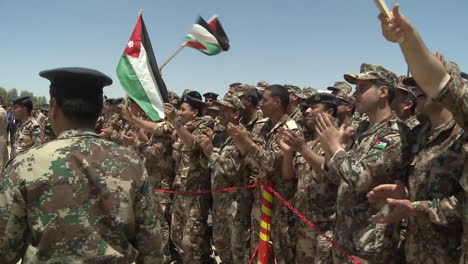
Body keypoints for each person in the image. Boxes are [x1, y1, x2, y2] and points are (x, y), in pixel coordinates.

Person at [0, 67, 164, 263]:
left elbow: (6, 247)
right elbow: (153, 249)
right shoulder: (131, 163)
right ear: (97, 109)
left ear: (53, 106)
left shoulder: (25, 164)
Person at [375, 4, 468, 263]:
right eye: (413, 84)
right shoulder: (419, 134)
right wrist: (404, 194)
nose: (416, 89)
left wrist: (415, 208)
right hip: (414, 250)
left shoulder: (461, 135)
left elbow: (460, 206)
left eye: (421, 83)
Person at [316, 64, 409, 263]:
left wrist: (335, 146)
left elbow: (361, 179)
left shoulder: (393, 134)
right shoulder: (361, 130)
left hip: (369, 247)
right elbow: (336, 177)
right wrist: (329, 147)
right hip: (345, 239)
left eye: (361, 88)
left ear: (383, 92)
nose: (355, 95)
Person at [228, 84, 299, 264]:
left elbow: (273, 163)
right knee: (259, 248)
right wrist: (243, 143)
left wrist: (248, 145)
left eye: (264, 100)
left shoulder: (290, 128)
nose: (260, 104)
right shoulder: (263, 126)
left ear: (277, 102)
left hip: (280, 203)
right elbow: (252, 162)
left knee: (281, 251)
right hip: (260, 198)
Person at [282, 93, 339, 264]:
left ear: (329, 111)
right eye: (307, 107)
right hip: (303, 223)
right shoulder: (308, 140)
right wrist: (287, 153)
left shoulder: (338, 139)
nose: (307, 111)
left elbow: (331, 172)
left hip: (327, 228)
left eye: (314, 107)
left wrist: (302, 149)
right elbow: (289, 176)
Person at [199, 93, 252, 264]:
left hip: (236, 205)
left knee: (238, 250)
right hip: (220, 203)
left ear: (236, 114)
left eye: (225, 109)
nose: (220, 112)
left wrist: (209, 153)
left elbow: (232, 170)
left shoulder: (242, 136)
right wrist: (208, 150)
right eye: (219, 109)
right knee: (221, 245)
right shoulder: (223, 136)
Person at [164, 91, 214, 263]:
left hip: (196, 194)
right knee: (176, 235)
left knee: (191, 241)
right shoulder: (181, 127)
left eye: (183, 109)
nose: (179, 112)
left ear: (195, 112)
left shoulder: (205, 125)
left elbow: (192, 144)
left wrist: (175, 122)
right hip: (180, 190)